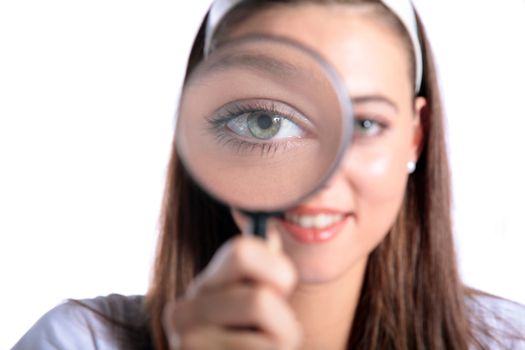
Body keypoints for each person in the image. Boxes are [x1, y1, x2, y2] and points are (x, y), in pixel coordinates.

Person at [13, 0, 525, 349]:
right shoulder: (78, 340)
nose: (321, 179)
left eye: (366, 123)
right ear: (200, 132)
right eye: (267, 122)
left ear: (416, 136)